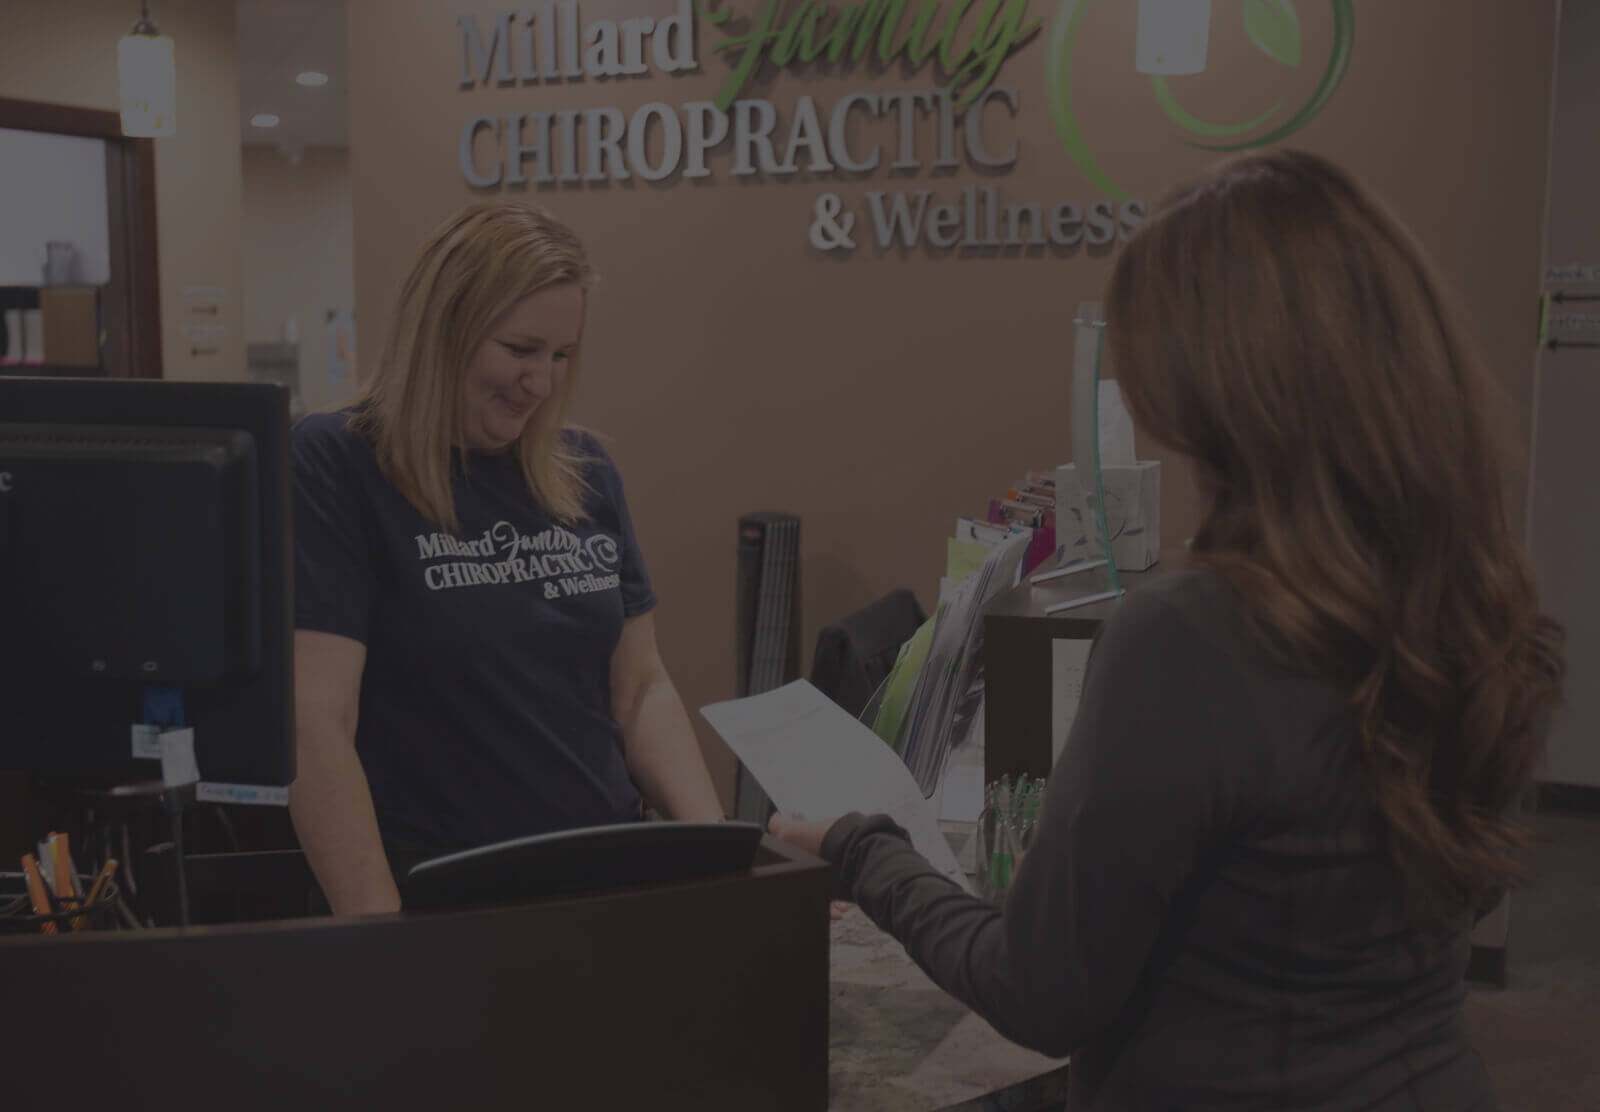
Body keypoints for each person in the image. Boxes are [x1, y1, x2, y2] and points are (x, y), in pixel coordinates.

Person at [771, 150, 1566, 1110]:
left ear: (1219, 388)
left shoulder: (1195, 637)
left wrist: (865, 849)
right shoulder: (1481, 609)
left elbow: (1040, 990)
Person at [290, 199, 723, 916]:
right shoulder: (338, 464)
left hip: (606, 882)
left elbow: (640, 691)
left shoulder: (582, 469)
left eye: (561, 356)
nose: (543, 382)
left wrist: (719, 859)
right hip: (443, 895)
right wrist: (377, 930)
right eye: (521, 351)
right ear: (444, 331)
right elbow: (315, 721)